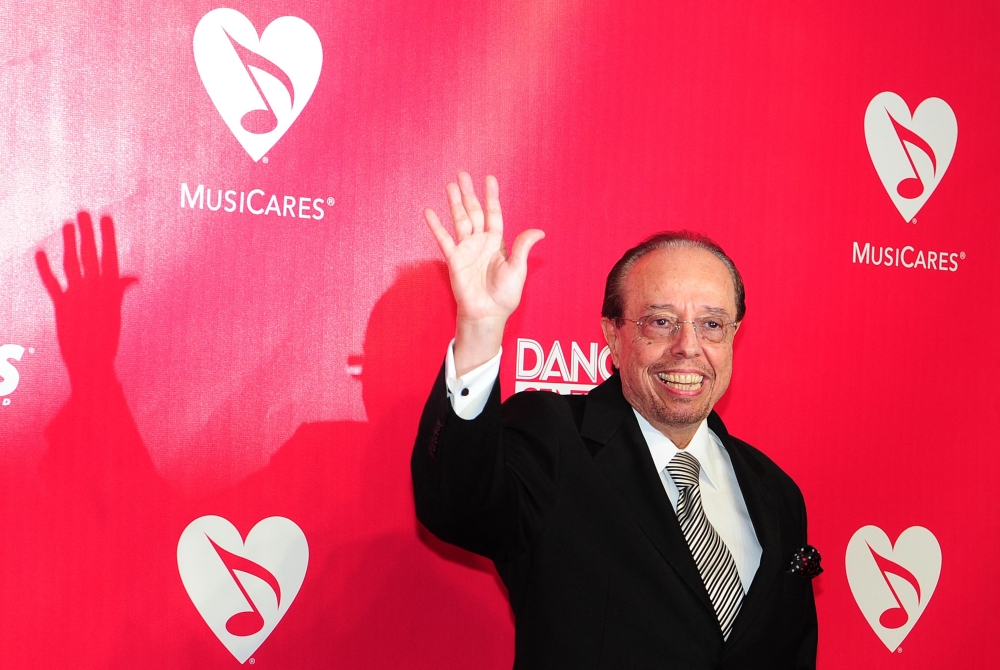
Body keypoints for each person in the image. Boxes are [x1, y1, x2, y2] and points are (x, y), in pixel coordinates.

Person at [412, 173, 819, 669]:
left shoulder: (777, 492)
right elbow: (457, 505)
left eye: (711, 324)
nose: (688, 346)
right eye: (661, 321)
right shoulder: (555, 438)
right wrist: (479, 329)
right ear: (612, 335)